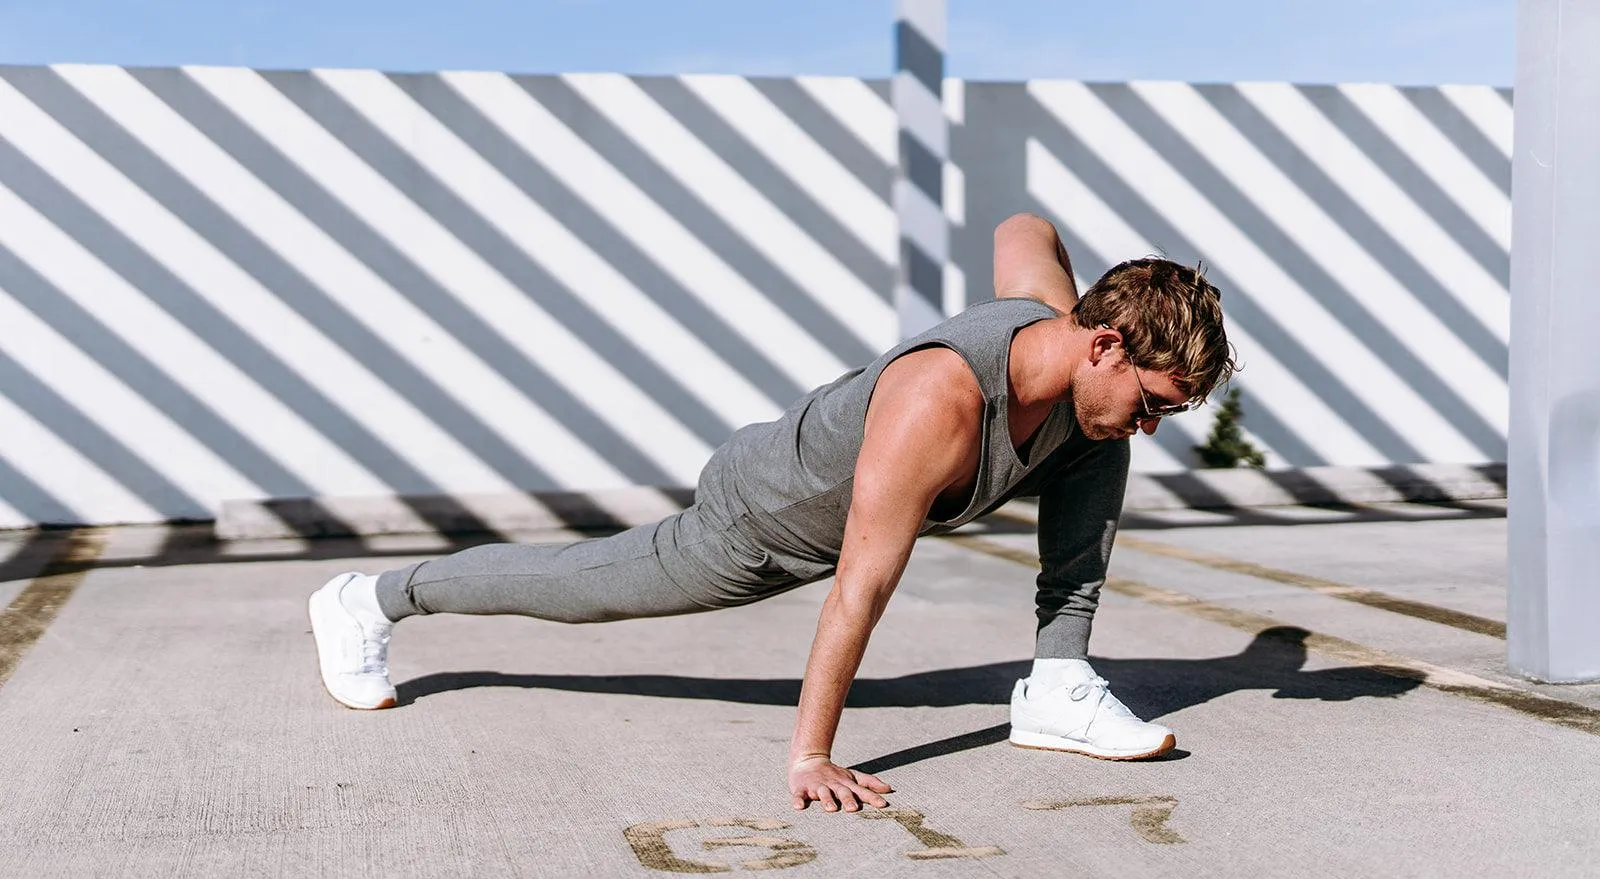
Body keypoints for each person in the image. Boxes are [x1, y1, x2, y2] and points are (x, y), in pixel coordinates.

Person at [309, 213, 1234, 814]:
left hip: (906, 445)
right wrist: (811, 755)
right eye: (1152, 399)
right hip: (759, 516)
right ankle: (373, 598)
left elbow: (1021, 224)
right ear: (1105, 342)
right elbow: (861, 587)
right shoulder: (938, 404)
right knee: (581, 587)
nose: (1152, 425)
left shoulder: (1063, 325)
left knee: (1094, 438)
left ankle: (1058, 683)